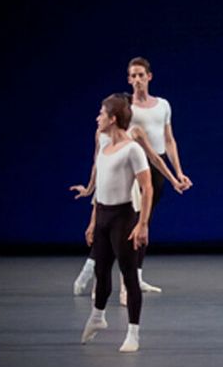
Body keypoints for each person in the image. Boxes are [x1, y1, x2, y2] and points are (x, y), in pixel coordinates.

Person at [71, 57, 190, 296]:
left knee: (143, 224)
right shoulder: (125, 109)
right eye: (132, 76)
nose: (137, 80)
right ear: (128, 79)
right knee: (123, 224)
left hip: (154, 167)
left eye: (140, 75)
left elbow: (168, 141)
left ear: (149, 76)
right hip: (131, 167)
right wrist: (91, 187)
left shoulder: (163, 105)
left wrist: (177, 173)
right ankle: (97, 272)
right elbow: (104, 150)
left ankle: (135, 276)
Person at [80, 94, 153, 352]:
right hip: (103, 216)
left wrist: (142, 224)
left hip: (123, 218)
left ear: (113, 119)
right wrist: (93, 222)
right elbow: (100, 187)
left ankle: (133, 333)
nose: (97, 117)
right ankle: (98, 317)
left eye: (101, 113)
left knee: (129, 275)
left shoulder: (132, 149)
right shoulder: (103, 144)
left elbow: (147, 187)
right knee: (101, 273)